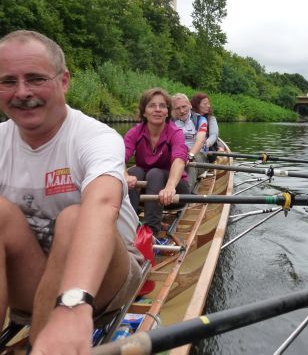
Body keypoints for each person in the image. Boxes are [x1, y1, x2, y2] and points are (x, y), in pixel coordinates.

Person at [0, 30, 142, 354]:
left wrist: (73, 303)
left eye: (35, 79)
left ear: (63, 81)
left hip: (105, 280)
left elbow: (103, 203)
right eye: (8, 81)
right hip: (34, 272)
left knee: (75, 217)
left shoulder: (96, 137)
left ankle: (53, 332)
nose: (22, 92)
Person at [124, 88, 190, 236]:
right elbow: (118, 158)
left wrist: (170, 186)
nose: (158, 109)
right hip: (148, 192)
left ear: (167, 111)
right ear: (144, 111)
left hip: (174, 192)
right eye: (152, 105)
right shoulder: (134, 133)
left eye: (162, 106)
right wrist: (125, 176)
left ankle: (151, 232)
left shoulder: (175, 133)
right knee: (133, 172)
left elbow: (179, 159)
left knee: (154, 173)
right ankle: (130, 228)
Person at [190, 92, 225, 160]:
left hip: (207, 147)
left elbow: (214, 135)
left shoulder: (211, 118)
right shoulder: (188, 117)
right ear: (197, 105)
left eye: (208, 103)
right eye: (205, 104)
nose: (208, 106)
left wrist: (206, 144)